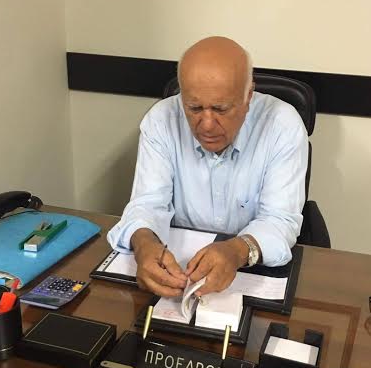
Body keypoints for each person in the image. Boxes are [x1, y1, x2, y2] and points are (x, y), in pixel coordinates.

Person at [107, 37, 308, 298]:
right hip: (179, 272)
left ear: (248, 96)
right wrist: (144, 244)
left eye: (220, 109)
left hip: (251, 273)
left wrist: (237, 250)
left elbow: (280, 220)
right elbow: (147, 203)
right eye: (194, 108)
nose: (207, 124)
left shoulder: (282, 126)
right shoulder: (161, 120)